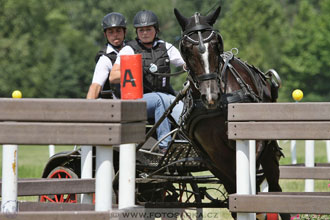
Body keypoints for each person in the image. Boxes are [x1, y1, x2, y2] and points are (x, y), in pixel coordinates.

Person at [110, 10, 185, 152]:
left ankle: (187, 144)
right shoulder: (128, 49)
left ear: (156, 30)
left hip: (165, 97)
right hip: (136, 101)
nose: (144, 33)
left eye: (148, 29)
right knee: (158, 100)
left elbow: (185, 64)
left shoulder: (166, 47)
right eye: (141, 30)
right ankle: (164, 146)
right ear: (137, 32)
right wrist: (135, 70)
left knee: (185, 110)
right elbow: (113, 76)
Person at [87, 12, 127, 99]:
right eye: (111, 32)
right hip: (112, 104)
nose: (115, 35)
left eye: (118, 31)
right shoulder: (105, 59)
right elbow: (95, 87)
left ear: (125, 32)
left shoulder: (132, 49)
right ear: (105, 35)